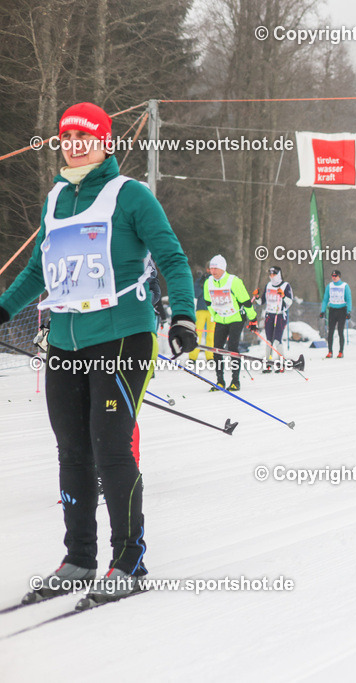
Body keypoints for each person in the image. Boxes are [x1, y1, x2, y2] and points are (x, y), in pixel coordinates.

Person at [0, 102, 196, 605]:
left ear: (106, 142)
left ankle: (129, 561)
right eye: (67, 136)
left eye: (85, 136)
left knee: (111, 448)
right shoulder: (55, 198)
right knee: (72, 453)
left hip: (123, 337)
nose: (75, 144)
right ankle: (79, 559)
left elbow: (172, 257)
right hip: (66, 342)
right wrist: (2, 309)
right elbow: (38, 271)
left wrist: (183, 316)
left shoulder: (130, 195)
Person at [204, 254, 256, 390]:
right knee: (217, 349)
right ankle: (220, 381)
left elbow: (246, 302)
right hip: (221, 319)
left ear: (223, 268)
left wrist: (253, 319)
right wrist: (215, 315)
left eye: (215, 268)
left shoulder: (234, 281)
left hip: (236, 318)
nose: (213, 271)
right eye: (211, 268)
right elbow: (208, 302)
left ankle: (235, 381)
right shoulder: (208, 282)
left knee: (232, 348)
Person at [255, 265, 293, 371]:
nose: (272, 276)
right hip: (269, 315)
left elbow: (290, 302)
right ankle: (268, 363)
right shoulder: (268, 285)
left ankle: (282, 363)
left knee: (277, 340)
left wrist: (283, 296)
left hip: (280, 315)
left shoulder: (285, 285)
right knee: (269, 341)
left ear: (279, 275)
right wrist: (257, 297)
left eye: (274, 274)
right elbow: (261, 302)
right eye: (270, 274)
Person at [321, 269, 351, 358]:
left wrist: (348, 311)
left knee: (340, 331)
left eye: (335, 276)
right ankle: (330, 352)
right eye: (332, 276)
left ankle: (341, 352)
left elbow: (349, 299)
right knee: (330, 331)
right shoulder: (329, 286)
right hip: (332, 310)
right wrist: (322, 311)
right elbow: (325, 299)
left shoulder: (345, 286)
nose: (334, 277)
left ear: (339, 276)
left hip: (342, 310)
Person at [189, 267, 215, 364]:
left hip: (212, 310)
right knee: (197, 333)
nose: (211, 271)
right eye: (210, 269)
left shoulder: (216, 281)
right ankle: (192, 357)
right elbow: (195, 294)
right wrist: (202, 285)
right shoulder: (200, 280)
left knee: (211, 335)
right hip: (201, 310)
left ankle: (210, 356)